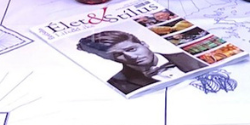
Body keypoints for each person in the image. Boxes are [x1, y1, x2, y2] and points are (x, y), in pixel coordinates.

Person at [76, 29, 205, 94]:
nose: (131, 57)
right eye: (119, 54)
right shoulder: (117, 84)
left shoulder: (192, 56)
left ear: (144, 44)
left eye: (132, 49)